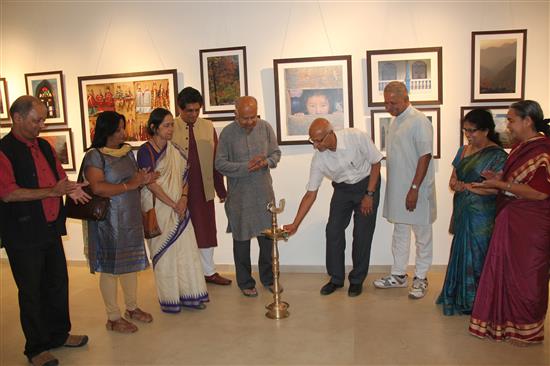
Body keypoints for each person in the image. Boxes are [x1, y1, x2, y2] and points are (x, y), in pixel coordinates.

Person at [0, 96, 90, 366]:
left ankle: (59, 334)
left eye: (43, 120)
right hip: (22, 233)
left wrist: (72, 188)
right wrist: (52, 191)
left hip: (50, 227)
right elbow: (8, 193)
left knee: (57, 284)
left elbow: (58, 177)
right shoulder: (4, 151)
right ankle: (36, 348)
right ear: (17, 118)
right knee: (31, 291)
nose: (41, 125)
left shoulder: (44, 145)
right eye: (36, 120)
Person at [468, 100, 550, 345]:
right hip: (511, 221)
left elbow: (540, 193)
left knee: (528, 278)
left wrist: (500, 184)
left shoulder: (542, 151)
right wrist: (497, 178)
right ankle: (504, 326)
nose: (508, 125)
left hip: (531, 226)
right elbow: (515, 183)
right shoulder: (519, 149)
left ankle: (527, 331)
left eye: (511, 120)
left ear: (528, 121)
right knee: (506, 274)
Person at [283, 118, 383, 297]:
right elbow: (310, 194)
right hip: (343, 189)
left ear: (330, 133)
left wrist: (369, 194)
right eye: (312, 141)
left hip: (367, 184)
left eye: (318, 140)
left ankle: (357, 280)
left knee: (362, 234)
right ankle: (336, 279)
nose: (315, 145)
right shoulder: (319, 160)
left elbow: (376, 162)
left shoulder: (355, 137)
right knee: (333, 230)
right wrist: (295, 224)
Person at [82, 111, 157, 334]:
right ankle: (113, 317)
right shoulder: (95, 156)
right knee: (110, 268)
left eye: (123, 128)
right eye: (118, 129)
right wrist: (130, 185)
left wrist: (144, 179)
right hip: (108, 221)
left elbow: (134, 180)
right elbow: (97, 188)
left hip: (130, 217)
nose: (123, 133)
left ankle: (132, 308)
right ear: (107, 132)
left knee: (130, 264)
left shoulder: (127, 153)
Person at [436, 109, 507, 315]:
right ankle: (458, 296)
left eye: (472, 130)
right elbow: (453, 179)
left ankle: (479, 301)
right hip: (463, 208)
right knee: (461, 250)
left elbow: (498, 187)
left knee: (479, 255)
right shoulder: (463, 151)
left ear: (486, 130)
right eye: (465, 130)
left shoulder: (498, 156)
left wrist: (469, 187)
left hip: (482, 214)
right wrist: (457, 185)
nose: (468, 134)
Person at [137, 108, 209, 312]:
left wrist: (184, 199)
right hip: (159, 210)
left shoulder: (175, 150)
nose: (171, 129)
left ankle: (190, 294)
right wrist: (173, 203)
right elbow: (150, 183)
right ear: (154, 127)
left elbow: (184, 177)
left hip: (179, 207)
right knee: (165, 255)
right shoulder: (145, 152)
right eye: (166, 125)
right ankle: (170, 299)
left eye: (172, 125)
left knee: (186, 251)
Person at [373, 81, 436, 299]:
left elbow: (425, 156)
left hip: (416, 189)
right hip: (398, 189)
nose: (389, 107)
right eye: (386, 103)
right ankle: (399, 275)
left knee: (422, 234)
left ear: (406, 98)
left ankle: (421, 277)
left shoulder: (419, 121)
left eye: (394, 103)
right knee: (399, 233)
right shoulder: (396, 121)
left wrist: (414, 189)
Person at [215, 96, 281, 297]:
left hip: (264, 194)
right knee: (241, 242)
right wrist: (246, 167)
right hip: (239, 198)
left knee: (267, 240)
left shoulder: (265, 127)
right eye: (245, 118)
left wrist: (266, 162)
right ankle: (245, 282)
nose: (250, 122)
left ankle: (269, 279)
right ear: (236, 114)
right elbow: (220, 164)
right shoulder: (227, 133)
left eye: (253, 117)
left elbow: (276, 154)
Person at [172, 87, 230, 286]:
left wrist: (220, 189)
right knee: (180, 232)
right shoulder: (169, 127)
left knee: (206, 230)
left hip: (203, 188)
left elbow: (216, 160)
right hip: (177, 192)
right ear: (179, 108)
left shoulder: (208, 126)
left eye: (197, 110)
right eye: (189, 110)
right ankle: (183, 276)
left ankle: (209, 272)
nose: (194, 114)